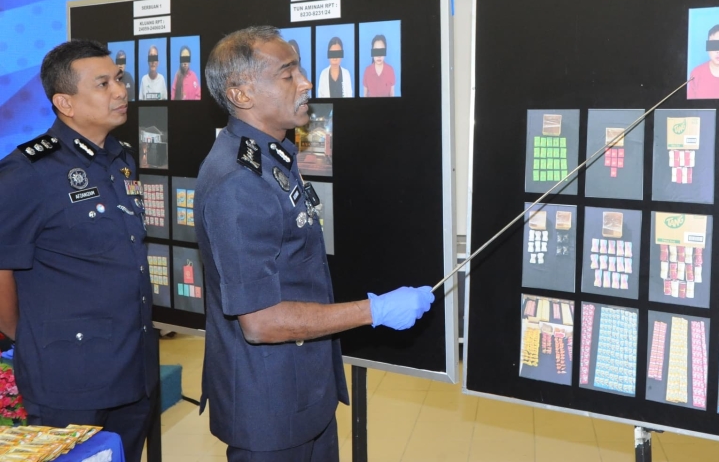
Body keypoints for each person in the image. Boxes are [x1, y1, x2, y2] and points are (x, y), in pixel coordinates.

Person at [197, 26, 433, 461]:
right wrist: (374, 311)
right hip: (270, 406)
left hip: (303, 391)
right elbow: (261, 322)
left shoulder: (272, 156)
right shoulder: (238, 182)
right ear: (242, 94)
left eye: (300, 69)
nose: (306, 82)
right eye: (288, 74)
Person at [0, 40, 158, 462]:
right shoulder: (26, 173)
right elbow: (2, 274)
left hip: (132, 370)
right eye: (103, 84)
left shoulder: (121, 160)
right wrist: (35, 338)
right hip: (68, 381)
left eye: (119, 79)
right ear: (64, 102)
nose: (120, 91)